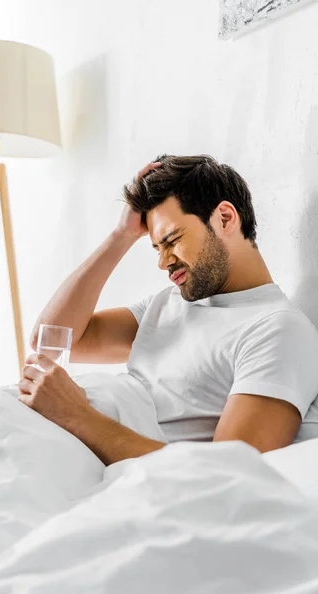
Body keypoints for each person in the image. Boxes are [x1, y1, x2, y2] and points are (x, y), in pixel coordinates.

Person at [18, 155, 318, 465]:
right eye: (157, 248)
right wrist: (121, 236)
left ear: (225, 218)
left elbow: (230, 473)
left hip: (72, 449)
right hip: (37, 430)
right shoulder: (168, 302)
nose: (163, 262)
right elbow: (50, 340)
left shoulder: (277, 330)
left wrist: (76, 415)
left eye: (172, 240)